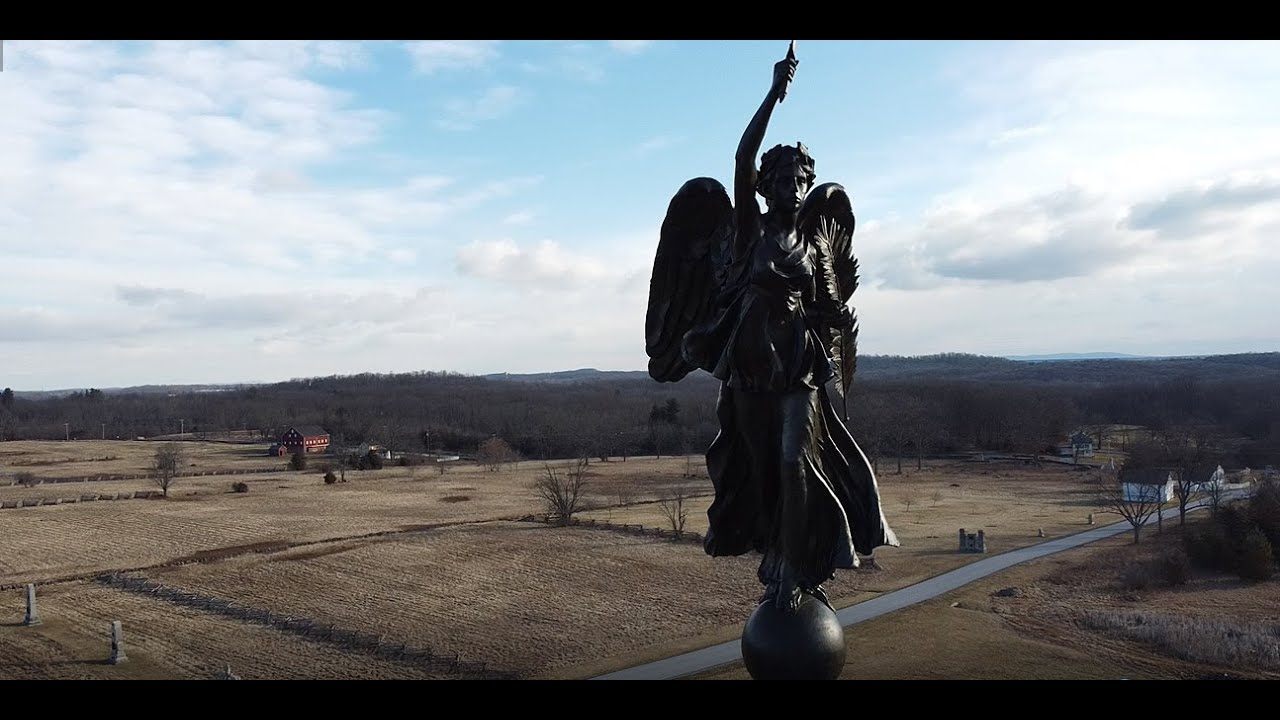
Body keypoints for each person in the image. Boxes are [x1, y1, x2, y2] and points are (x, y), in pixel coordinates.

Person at [688, 46, 900, 613]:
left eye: (800, 179)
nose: (794, 186)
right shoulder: (749, 229)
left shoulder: (811, 244)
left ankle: (798, 570)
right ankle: (775, 552)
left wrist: (840, 366)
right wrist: (773, 94)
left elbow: (828, 312)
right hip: (751, 369)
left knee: (794, 462)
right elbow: (740, 156)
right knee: (762, 473)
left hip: (798, 366)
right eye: (783, 178)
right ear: (767, 186)